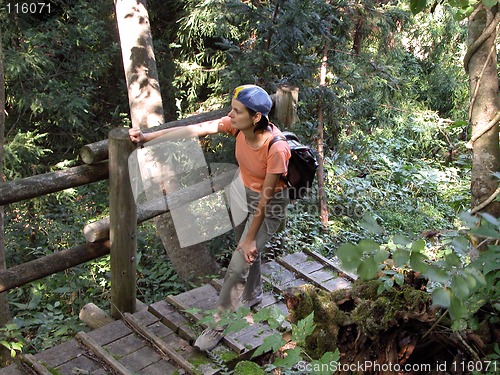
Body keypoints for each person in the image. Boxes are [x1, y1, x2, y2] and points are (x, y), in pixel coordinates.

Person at [129, 84, 291, 351]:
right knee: (246, 250)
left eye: (237, 111)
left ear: (257, 117)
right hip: (242, 192)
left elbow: (266, 196)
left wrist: (251, 238)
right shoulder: (238, 127)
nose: (231, 114)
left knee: (240, 261)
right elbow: (196, 129)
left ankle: (218, 325)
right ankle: (254, 293)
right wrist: (149, 137)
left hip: (268, 204)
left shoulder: (277, 149)